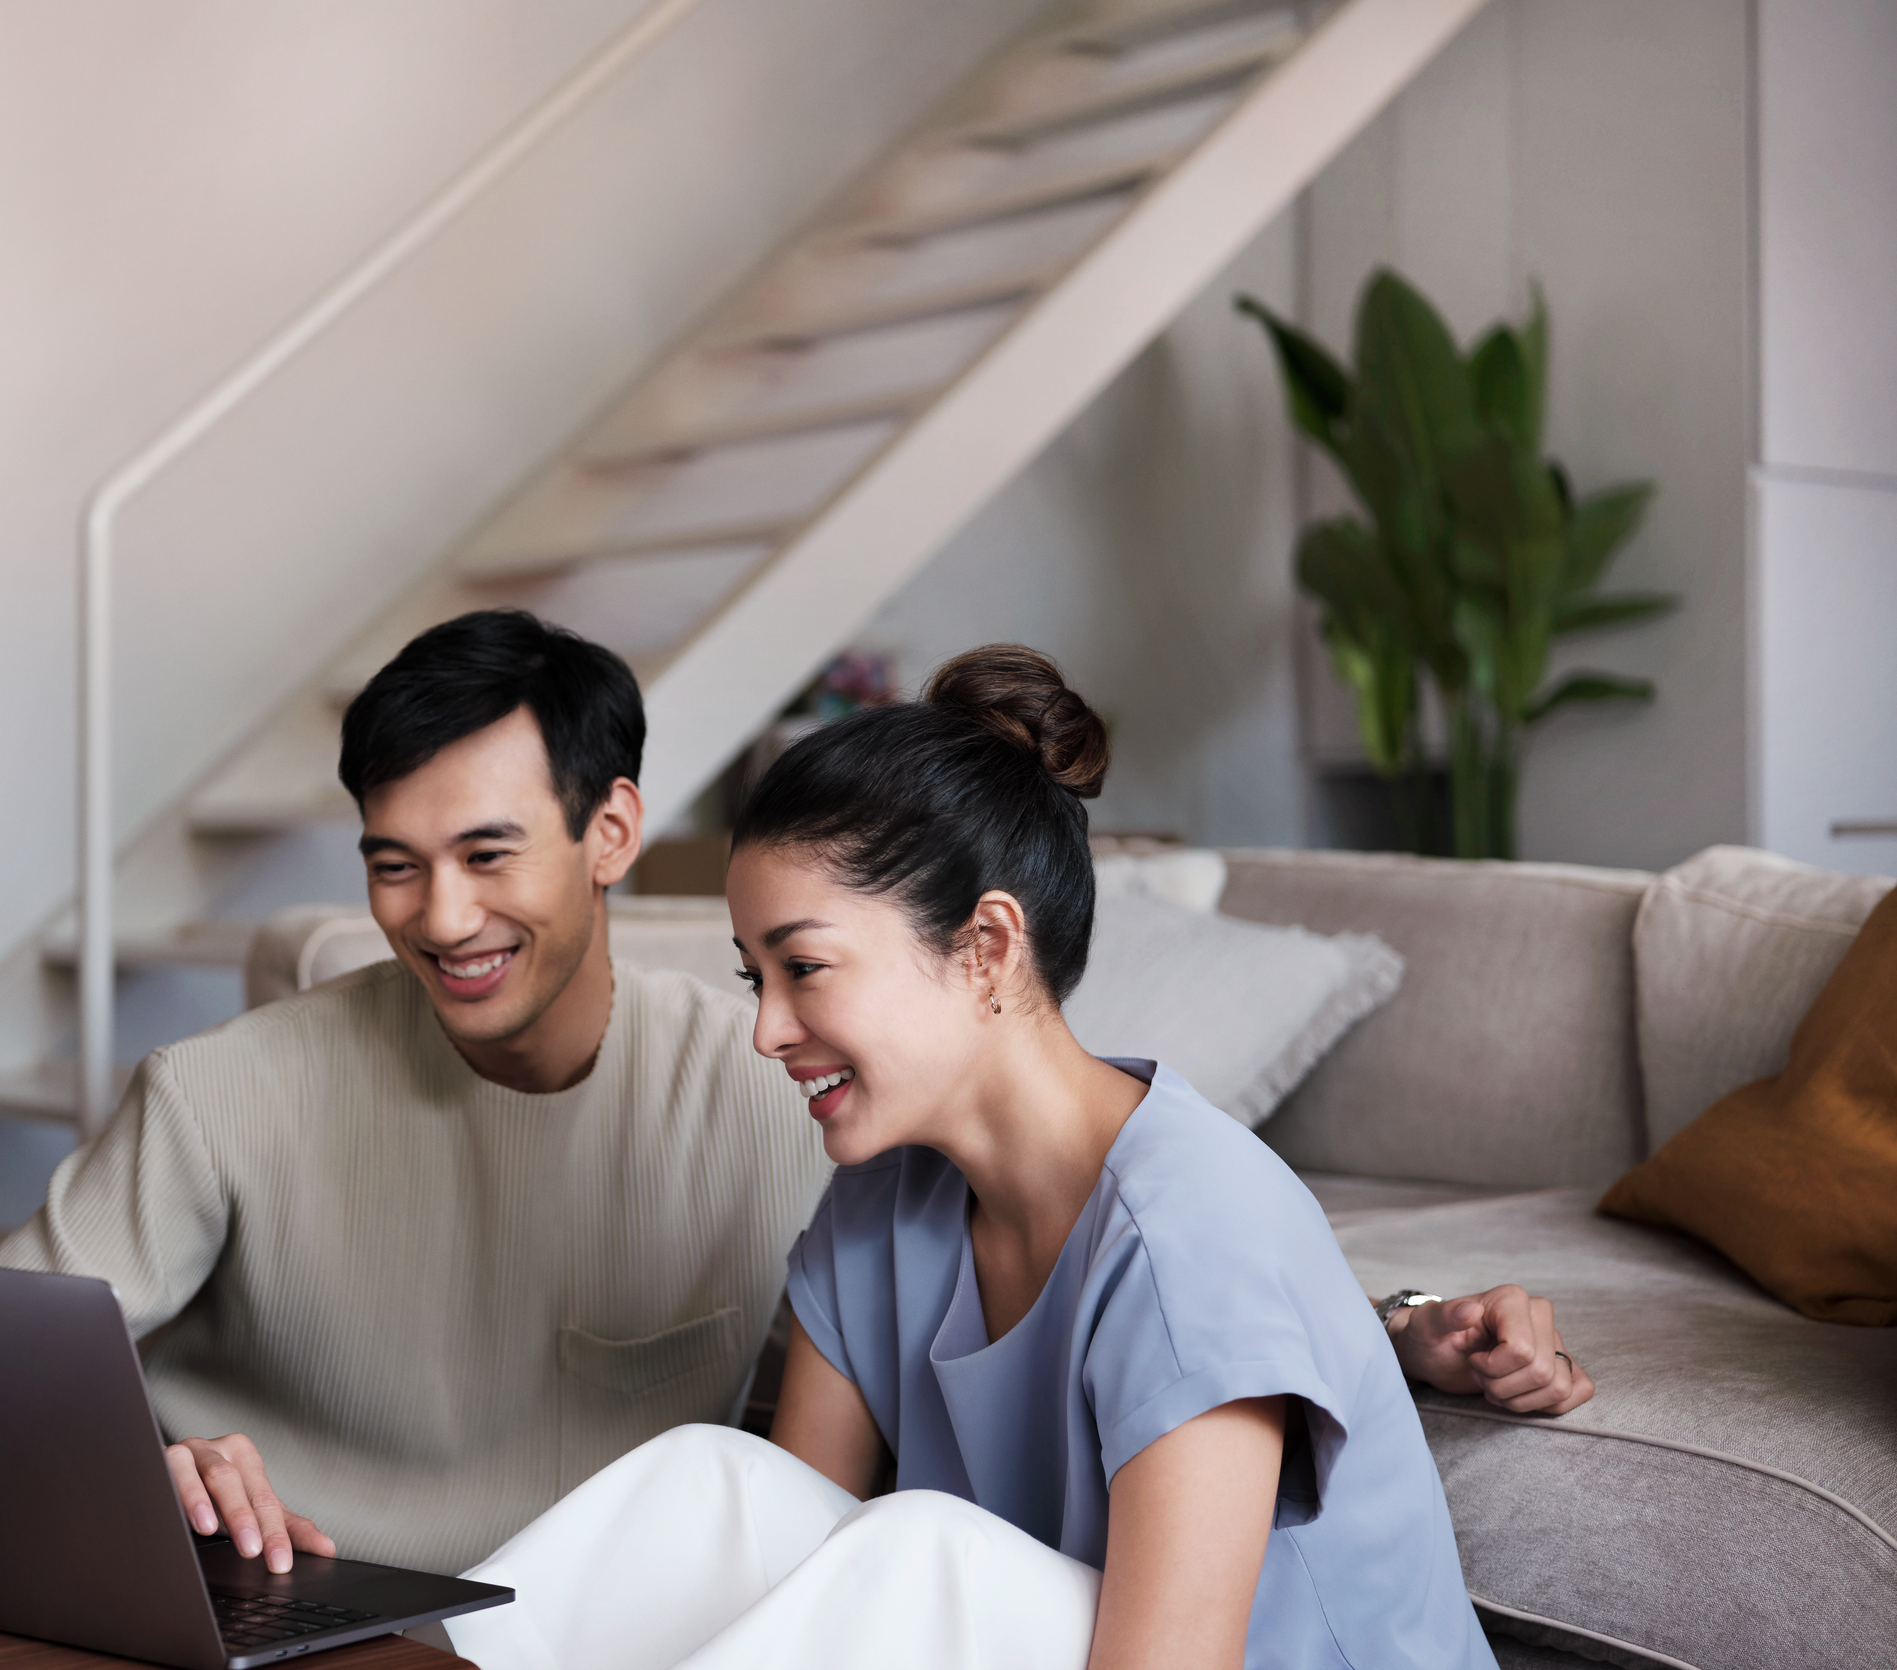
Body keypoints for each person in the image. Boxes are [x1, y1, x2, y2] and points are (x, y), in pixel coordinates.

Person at [0, 611, 1588, 1586]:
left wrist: (1398, 1327)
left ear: (611, 833)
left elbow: (1178, 1276)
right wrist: (122, 1464)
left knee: (902, 1544)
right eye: (394, 867)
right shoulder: (866, 1174)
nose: (442, 915)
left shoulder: (829, 1117)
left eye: (489, 855)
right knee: (760, 1501)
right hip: (332, 1600)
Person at [443, 645, 1556, 1670]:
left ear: (985, 948)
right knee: (718, 1481)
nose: (767, 1030)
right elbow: (781, 1579)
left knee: (923, 1545)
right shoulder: (879, 1205)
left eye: (806, 969)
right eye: (754, 978)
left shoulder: (1194, 1231)